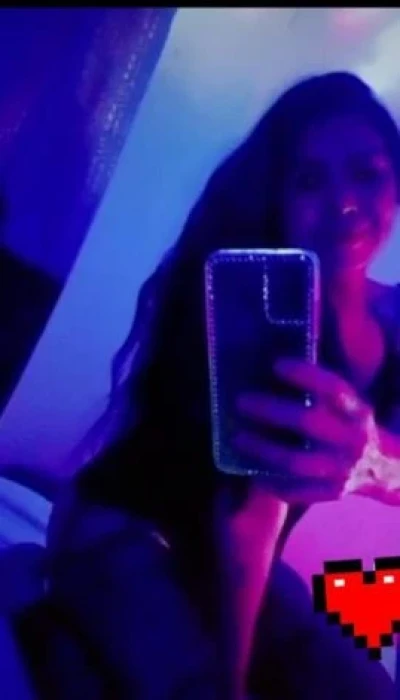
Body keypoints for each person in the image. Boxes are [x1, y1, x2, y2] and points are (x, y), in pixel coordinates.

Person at [43, 71, 400, 698]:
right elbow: (246, 517)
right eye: (309, 180)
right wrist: (231, 683)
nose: (344, 201)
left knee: (366, 689)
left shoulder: (394, 321)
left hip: (233, 563)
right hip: (128, 530)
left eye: (366, 174)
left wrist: (378, 466)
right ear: (279, 196)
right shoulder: (258, 318)